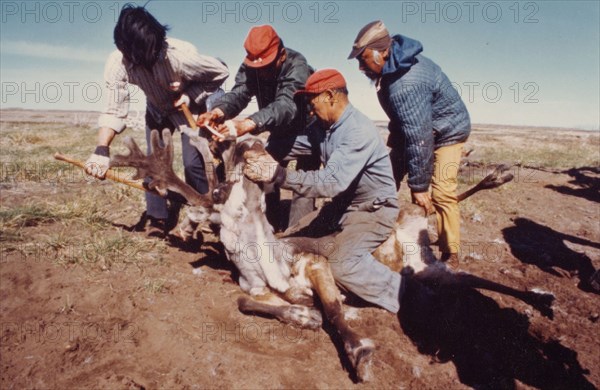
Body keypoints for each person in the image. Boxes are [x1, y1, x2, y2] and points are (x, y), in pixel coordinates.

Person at [243, 69, 403, 313]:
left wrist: (278, 175)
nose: (309, 108)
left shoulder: (357, 131)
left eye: (312, 100)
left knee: (342, 263)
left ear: (330, 96)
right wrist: (256, 148)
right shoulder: (323, 128)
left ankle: (406, 294)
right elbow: (293, 145)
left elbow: (330, 182)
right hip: (342, 206)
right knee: (287, 240)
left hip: (372, 210)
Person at [84, 4, 229, 237]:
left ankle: (212, 211)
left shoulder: (180, 56)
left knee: (194, 164)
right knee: (152, 163)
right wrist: (101, 150)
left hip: (187, 109)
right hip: (157, 110)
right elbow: (114, 109)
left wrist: (190, 95)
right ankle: (157, 217)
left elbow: (220, 71)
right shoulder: (118, 63)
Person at [348, 20, 471, 265]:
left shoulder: (406, 82)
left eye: (364, 59)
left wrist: (418, 186)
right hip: (421, 130)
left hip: (448, 132)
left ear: (383, 51)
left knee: (443, 191)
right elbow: (406, 121)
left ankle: (451, 251)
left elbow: (420, 138)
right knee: (384, 175)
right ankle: (376, 229)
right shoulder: (392, 70)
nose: (361, 67)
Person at [197, 25, 319, 231]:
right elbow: (239, 93)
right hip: (279, 129)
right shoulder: (252, 66)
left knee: (303, 186)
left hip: (307, 130)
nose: (261, 72)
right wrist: (219, 111)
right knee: (264, 174)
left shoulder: (298, 65)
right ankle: (270, 228)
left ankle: (299, 237)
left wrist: (248, 123)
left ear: (281, 55)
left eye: (266, 66)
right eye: (256, 67)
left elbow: (286, 105)